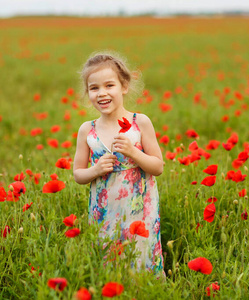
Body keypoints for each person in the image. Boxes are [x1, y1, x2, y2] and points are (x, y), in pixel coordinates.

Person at [73, 52, 164, 273]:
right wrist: (95, 170)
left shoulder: (139, 122)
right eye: (94, 88)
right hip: (104, 212)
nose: (102, 93)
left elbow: (158, 167)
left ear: (124, 86)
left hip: (139, 210)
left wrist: (133, 152)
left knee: (140, 256)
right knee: (108, 261)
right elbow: (78, 174)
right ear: (88, 93)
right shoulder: (88, 130)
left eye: (109, 85)